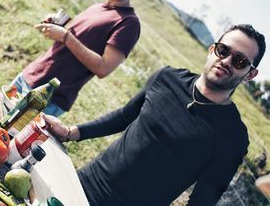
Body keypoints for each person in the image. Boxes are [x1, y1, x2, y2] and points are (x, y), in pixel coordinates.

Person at [43, 24, 266, 205]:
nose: (226, 61)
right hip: (85, 182)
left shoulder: (233, 137)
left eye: (239, 61)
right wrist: (71, 132)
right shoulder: (167, 78)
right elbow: (124, 117)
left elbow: (202, 200)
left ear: (250, 74)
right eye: (223, 50)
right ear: (212, 50)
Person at [10, 0, 151, 117]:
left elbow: (103, 68)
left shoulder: (129, 23)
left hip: (48, 98)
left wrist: (65, 36)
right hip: (27, 77)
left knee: (5, 140)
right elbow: (79, 39)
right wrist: (57, 26)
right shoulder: (97, 7)